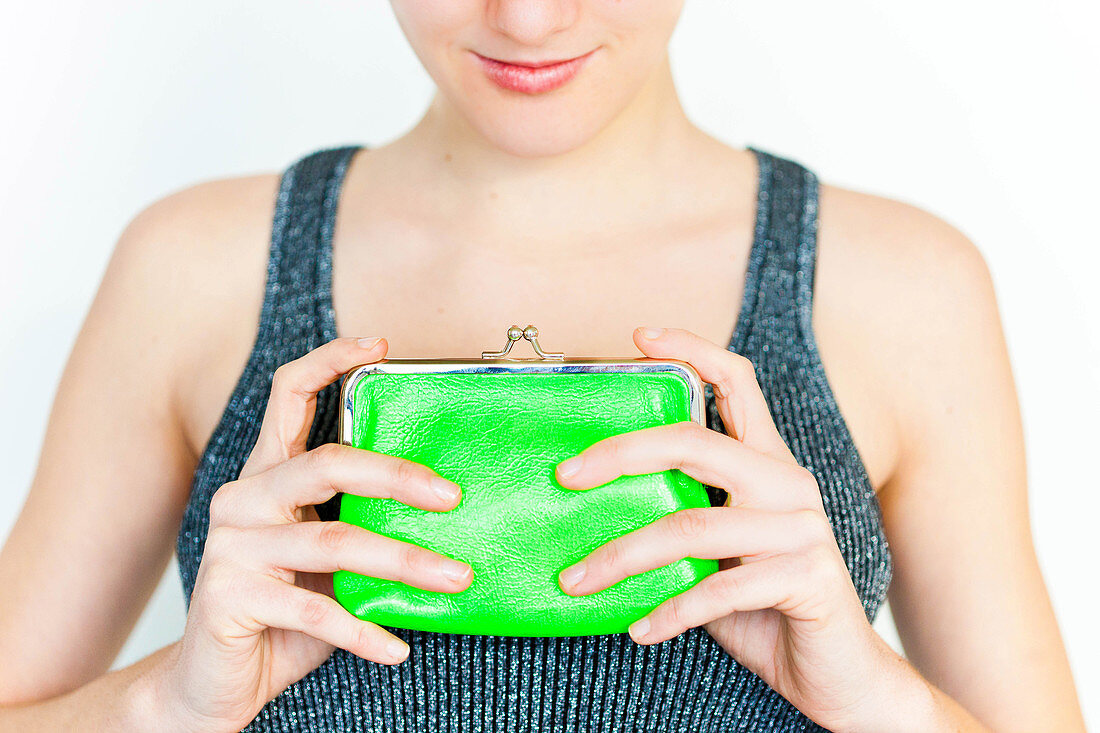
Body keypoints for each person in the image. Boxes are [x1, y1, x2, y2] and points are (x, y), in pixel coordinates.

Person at [0, 2, 1086, 732]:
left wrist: (870, 693)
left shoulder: (903, 284)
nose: (523, 17)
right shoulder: (191, 264)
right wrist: (170, 702)